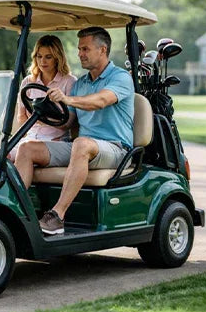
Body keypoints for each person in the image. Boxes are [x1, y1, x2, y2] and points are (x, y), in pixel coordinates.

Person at [14, 26, 134, 235]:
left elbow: (101, 100)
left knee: (81, 143)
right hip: (83, 148)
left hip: (116, 149)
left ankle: (57, 216)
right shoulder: (82, 83)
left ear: (102, 50)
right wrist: (44, 112)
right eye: (79, 49)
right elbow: (67, 121)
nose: (80, 54)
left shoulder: (120, 77)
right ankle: (15, 211)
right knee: (27, 149)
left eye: (85, 49)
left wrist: (67, 99)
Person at [8, 35, 77, 162]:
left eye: (48, 57)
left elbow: (68, 123)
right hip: (30, 137)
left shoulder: (69, 82)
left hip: (55, 140)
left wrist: (41, 118)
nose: (42, 61)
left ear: (57, 58)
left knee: (25, 150)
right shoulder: (28, 82)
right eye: (39, 56)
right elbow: (21, 117)